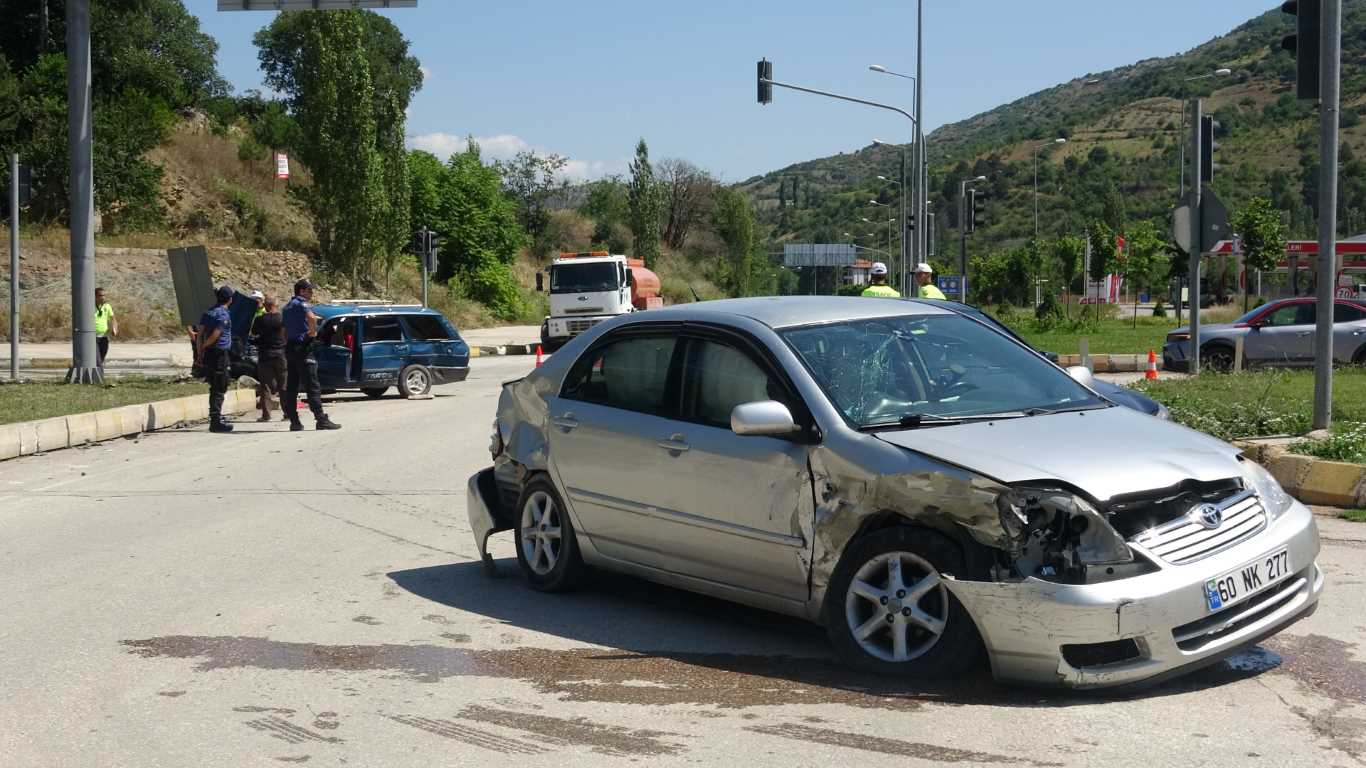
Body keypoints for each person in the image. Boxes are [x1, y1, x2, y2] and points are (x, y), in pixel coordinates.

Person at [282, 279, 341, 432]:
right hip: (303, 348)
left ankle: (294, 421)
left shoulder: (287, 307)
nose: (311, 293)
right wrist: (313, 333)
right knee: (312, 385)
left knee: (292, 387)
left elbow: (283, 330)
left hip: (290, 348)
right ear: (301, 291)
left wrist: (287, 342)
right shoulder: (302, 303)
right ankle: (321, 419)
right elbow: (312, 318)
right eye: (309, 290)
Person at [198, 285, 235, 434]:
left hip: (210, 354)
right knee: (220, 386)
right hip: (219, 354)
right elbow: (216, 334)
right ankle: (216, 421)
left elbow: (200, 333)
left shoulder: (208, 312)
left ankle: (216, 418)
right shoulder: (223, 315)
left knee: (215, 385)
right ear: (230, 299)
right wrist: (206, 346)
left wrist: (200, 351)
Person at [251, 295, 286, 422]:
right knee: (283, 385)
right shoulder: (282, 319)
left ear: (265, 305)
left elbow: (253, 333)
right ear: (276, 305)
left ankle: (266, 415)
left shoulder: (260, 320)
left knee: (265, 385)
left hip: (265, 354)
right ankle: (288, 413)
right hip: (280, 354)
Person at [94, 288, 117, 367]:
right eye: (100, 295)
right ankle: (98, 378)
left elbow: (113, 319)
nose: (103, 297)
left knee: (102, 359)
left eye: (104, 295)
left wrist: (114, 328)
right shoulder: (89, 306)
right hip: (93, 338)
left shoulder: (107, 306)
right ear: (95, 296)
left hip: (104, 337)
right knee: (98, 360)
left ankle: (98, 376)